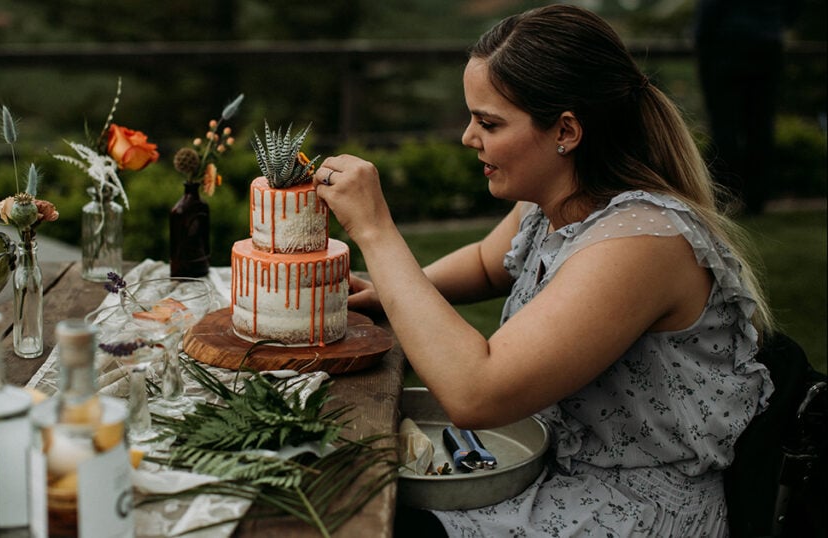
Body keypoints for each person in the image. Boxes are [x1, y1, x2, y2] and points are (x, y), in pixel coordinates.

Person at [314, 5, 774, 537]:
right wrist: (390, 291)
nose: (468, 137)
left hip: (625, 508)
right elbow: (489, 265)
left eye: (488, 122)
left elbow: (476, 392)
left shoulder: (642, 242)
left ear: (567, 131)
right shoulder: (555, 204)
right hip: (547, 470)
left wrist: (375, 231)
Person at [694, 0, 800, 215]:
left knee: (724, 126)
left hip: (726, 46)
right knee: (761, 126)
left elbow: (708, 11)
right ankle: (756, 199)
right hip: (768, 46)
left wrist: (703, 40)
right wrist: (772, 24)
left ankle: (721, 194)